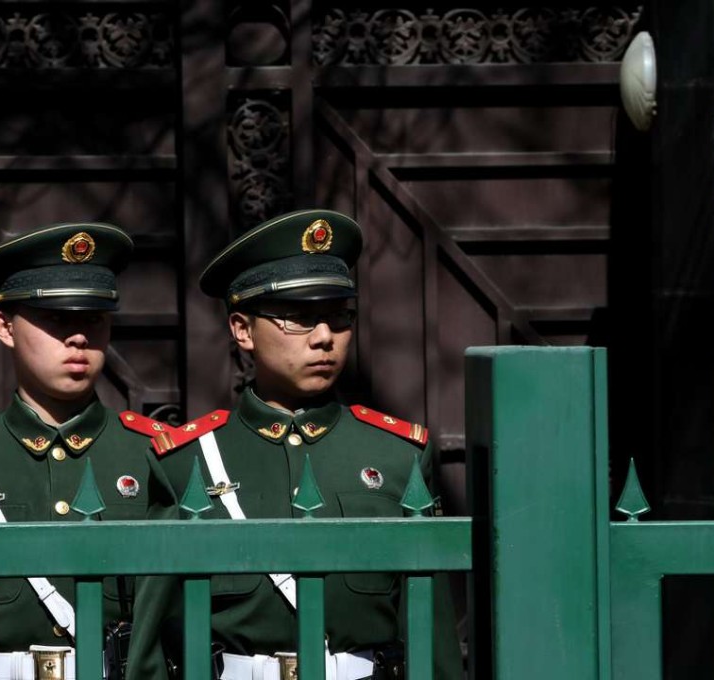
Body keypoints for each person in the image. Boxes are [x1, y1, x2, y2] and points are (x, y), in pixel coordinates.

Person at [127, 209, 462, 679]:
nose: (325, 338)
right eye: (299, 319)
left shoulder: (397, 454)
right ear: (243, 329)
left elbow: (434, 637)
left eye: (338, 318)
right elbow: (149, 646)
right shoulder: (187, 461)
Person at [0, 222, 175, 680]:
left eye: (93, 318)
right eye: (57, 319)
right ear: (4, 327)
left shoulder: (155, 456)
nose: (79, 337)